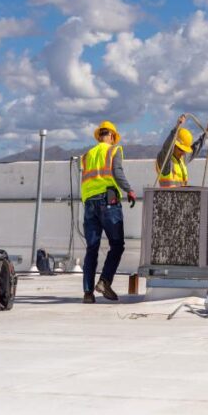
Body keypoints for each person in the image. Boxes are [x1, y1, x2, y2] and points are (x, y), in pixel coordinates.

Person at [79, 120, 136, 304]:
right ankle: (104, 281)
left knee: (92, 249)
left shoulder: (87, 155)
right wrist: (129, 190)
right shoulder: (114, 150)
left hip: (89, 204)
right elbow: (117, 172)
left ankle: (88, 293)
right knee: (117, 245)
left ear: (99, 135)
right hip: (108, 201)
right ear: (111, 136)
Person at [155, 114, 208, 187]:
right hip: (167, 198)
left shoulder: (182, 159)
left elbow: (195, 149)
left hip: (181, 197)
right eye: (180, 149)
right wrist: (176, 128)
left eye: (184, 150)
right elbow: (166, 148)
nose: (183, 153)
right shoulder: (165, 161)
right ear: (174, 144)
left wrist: (207, 132)